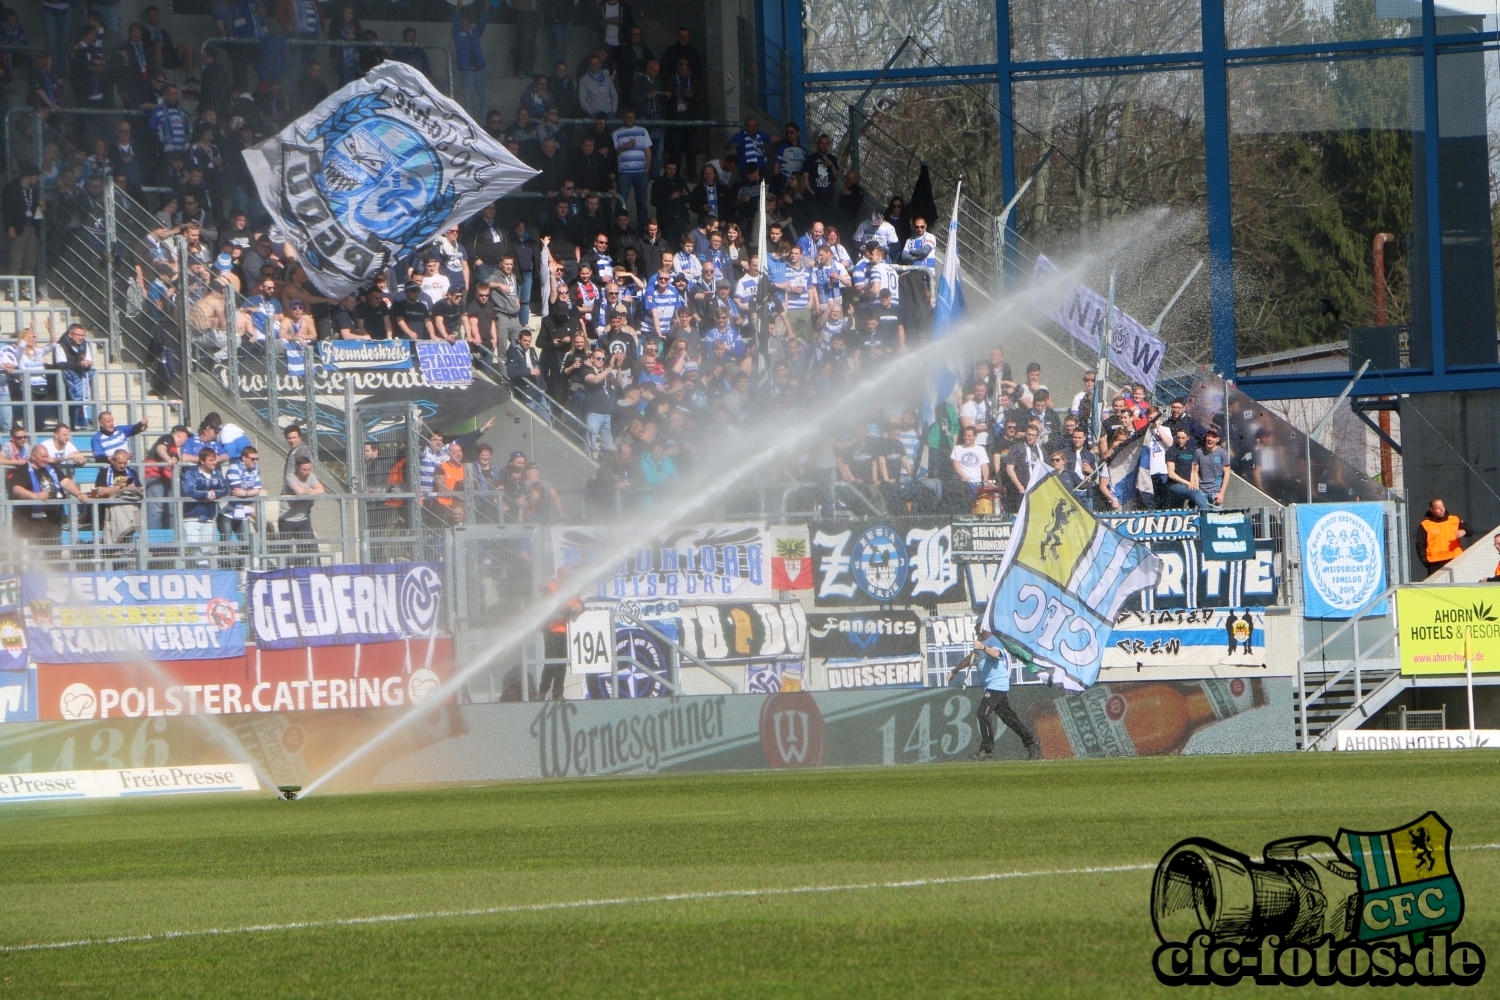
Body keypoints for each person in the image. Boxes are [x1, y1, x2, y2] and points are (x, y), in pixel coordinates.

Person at [963, 621, 1041, 761]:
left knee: (982, 713)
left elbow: (997, 654)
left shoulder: (993, 640)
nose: (975, 628)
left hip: (996, 686)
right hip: (991, 686)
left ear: (984, 625)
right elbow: (970, 658)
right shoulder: (981, 642)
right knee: (1009, 718)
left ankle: (986, 750)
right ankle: (1031, 741)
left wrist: (983, 647)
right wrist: (954, 671)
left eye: (977, 625)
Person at [180, 447, 227, 564]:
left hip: (209, 517)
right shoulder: (191, 473)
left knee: (206, 550)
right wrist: (206, 494)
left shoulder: (217, 473)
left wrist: (214, 494)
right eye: (211, 460)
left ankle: (205, 575)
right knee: (195, 551)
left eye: (215, 459)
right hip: (191, 517)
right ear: (202, 461)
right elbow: (189, 490)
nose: (215, 462)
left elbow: (225, 489)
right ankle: (196, 575)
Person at [279, 453, 324, 563]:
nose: (307, 472)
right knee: (286, 552)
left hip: (303, 519)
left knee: (312, 549)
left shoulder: (311, 476)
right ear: (297, 468)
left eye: (309, 469)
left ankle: (316, 572)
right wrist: (310, 492)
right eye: (304, 470)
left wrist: (304, 497)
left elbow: (321, 490)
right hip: (287, 520)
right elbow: (299, 491)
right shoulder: (290, 477)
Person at [2, 164, 45, 277]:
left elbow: (34, 207)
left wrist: (41, 208)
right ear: (29, 176)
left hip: (32, 228)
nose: (38, 179)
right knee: (16, 260)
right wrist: (10, 225)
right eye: (36, 176)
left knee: (30, 261)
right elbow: (6, 209)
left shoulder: (33, 190)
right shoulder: (12, 188)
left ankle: (26, 290)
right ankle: (12, 289)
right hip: (18, 228)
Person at [1418, 497, 1470, 577]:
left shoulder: (1454, 519)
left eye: (1442, 506)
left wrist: (1464, 531)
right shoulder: (1425, 524)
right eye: (1438, 508)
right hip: (1435, 563)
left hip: (1455, 559)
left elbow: (1470, 529)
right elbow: (1420, 545)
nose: (1441, 509)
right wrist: (1426, 562)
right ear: (1431, 510)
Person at [221, 445, 261, 542]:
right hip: (227, 511)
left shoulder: (255, 469)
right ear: (244, 458)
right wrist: (249, 492)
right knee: (226, 542)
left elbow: (257, 490)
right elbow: (237, 491)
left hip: (244, 511)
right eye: (252, 459)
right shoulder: (234, 468)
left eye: (257, 459)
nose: (255, 461)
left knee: (246, 542)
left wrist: (246, 493)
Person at [1165, 427, 1209, 510]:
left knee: (1178, 509)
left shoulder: (1192, 451)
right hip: (1175, 485)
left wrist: (1195, 484)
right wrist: (1187, 483)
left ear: (1188, 438)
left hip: (1187, 485)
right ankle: (1209, 514)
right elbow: (1171, 474)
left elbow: (1193, 471)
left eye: (1183, 438)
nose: (1180, 440)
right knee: (1196, 493)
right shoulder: (1172, 451)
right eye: (1178, 438)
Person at [1194, 425, 1228, 510]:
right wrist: (1197, 491)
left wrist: (1221, 493)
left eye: (1213, 437)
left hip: (1216, 493)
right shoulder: (1198, 452)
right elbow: (1195, 472)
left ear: (1218, 439)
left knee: (1215, 520)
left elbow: (1227, 473)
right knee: (1200, 520)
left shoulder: (1223, 453)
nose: (1210, 439)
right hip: (1201, 492)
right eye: (1208, 436)